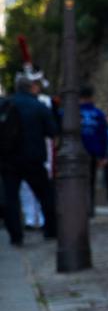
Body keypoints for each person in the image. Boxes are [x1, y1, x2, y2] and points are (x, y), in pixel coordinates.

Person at [1, 72, 58, 246]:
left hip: (8, 159)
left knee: (10, 198)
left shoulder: (5, 104)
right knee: (45, 195)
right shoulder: (38, 106)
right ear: (31, 88)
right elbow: (52, 131)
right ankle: (50, 230)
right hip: (33, 158)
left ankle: (16, 236)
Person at [79, 86, 108, 215]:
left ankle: (79, 207)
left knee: (77, 182)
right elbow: (103, 135)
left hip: (77, 153)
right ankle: (89, 208)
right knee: (91, 181)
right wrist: (103, 155)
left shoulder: (73, 112)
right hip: (92, 152)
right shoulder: (98, 114)